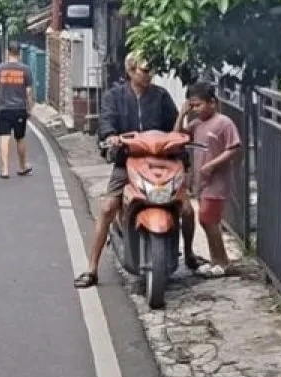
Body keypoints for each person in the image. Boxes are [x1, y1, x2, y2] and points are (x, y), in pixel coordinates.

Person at [73, 52, 187, 288]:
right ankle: (92, 268)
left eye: (150, 71)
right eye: (144, 70)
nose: (149, 75)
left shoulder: (161, 96)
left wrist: (181, 135)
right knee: (106, 208)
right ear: (130, 71)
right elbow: (106, 123)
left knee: (186, 209)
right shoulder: (114, 97)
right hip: (128, 161)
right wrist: (111, 137)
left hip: (161, 162)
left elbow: (174, 125)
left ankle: (191, 255)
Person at [177, 82, 242, 278]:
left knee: (207, 218)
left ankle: (223, 261)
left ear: (211, 103)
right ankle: (216, 260)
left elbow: (234, 148)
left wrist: (213, 165)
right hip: (202, 182)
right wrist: (182, 114)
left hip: (217, 181)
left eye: (198, 105)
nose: (195, 109)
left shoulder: (224, 123)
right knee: (206, 221)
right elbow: (177, 136)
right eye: (192, 105)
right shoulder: (196, 125)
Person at [0, 43, 34, 179]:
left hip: (3, 108)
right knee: (20, 138)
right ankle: (22, 167)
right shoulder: (25, 70)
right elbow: (28, 92)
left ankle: (5, 169)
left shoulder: (0, 69)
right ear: (19, 53)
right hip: (20, 109)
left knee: (4, 137)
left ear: (7, 52)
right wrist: (29, 107)